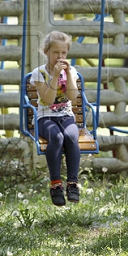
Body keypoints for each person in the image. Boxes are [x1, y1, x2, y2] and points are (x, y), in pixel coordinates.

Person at [30, 31, 81, 206]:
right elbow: (49, 100)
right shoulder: (39, 73)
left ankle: (72, 183)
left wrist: (68, 75)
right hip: (45, 118)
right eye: (55, 53)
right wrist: (55, 78)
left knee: (71, 136)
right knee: (57, 138)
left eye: (63, 53)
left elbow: (73, 97)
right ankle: (56, 184)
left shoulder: (71, 71)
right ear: (46, 52)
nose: (60, 56)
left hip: (66, 116)